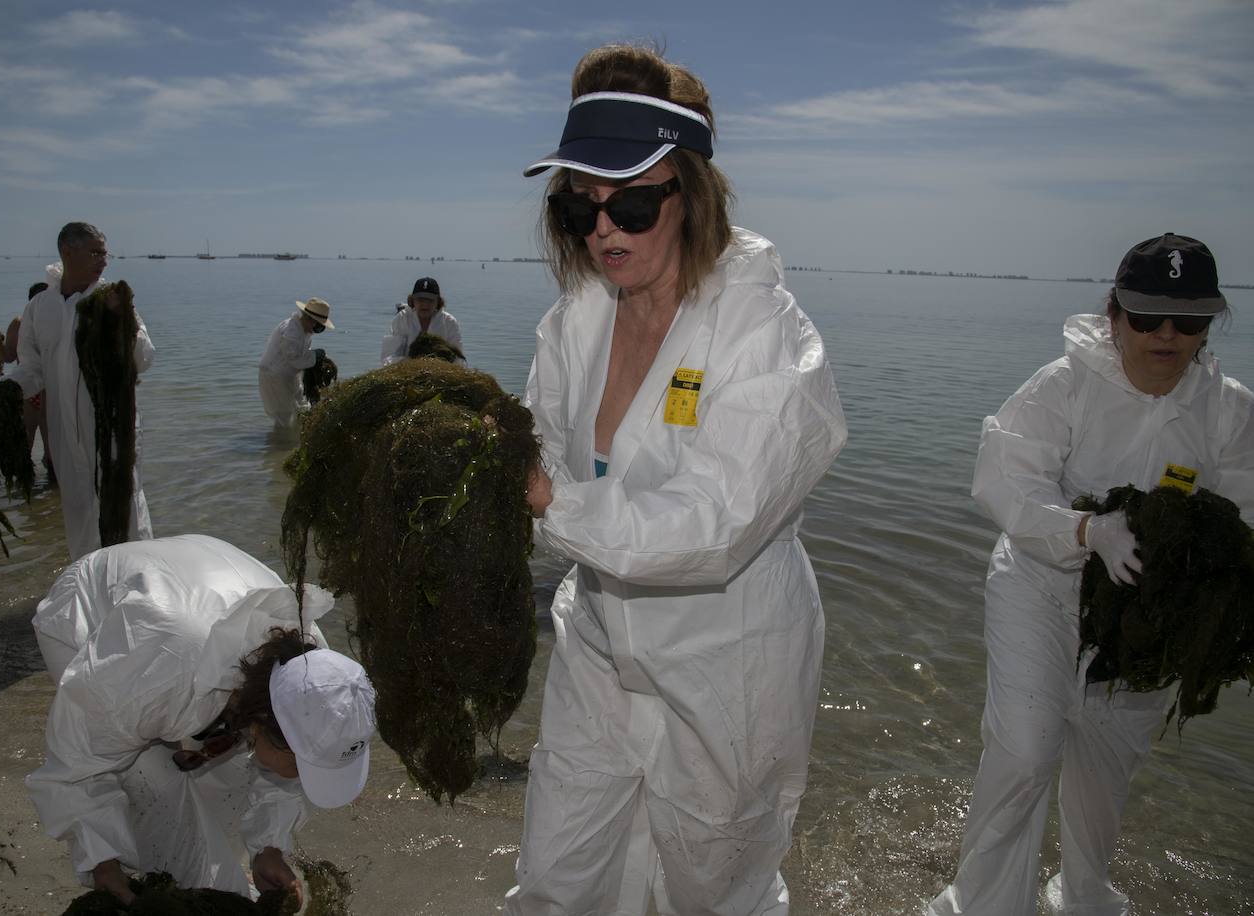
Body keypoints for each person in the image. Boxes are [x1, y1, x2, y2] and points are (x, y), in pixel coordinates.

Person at [504, 44, 847, 916]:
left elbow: (718, 524)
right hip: (599, 638)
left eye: (632, 202)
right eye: (580, 206)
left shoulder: (766, 335)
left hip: (728, 656)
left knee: (709, 880)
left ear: (692, 195)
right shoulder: (574, 320)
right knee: (560, 866)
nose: (604, 231)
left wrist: (551, 503)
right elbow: (535, 436)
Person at [927, 234, 1254, 916]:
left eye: (1188, 321)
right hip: (1041, 587)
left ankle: (1083, 896)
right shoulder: (1065, 384)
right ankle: (983, 903)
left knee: (1105, 773)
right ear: (1114, 317)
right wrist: (1085, 530)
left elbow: (1245, 516)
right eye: (1146, 318)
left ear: (1209, 324)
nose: (1167, 335)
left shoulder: (1227, 410)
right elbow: (1003, 479)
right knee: (1025, 750)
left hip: (1145, 617)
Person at [26, 533, 377, 906]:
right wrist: (101, 858)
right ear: (260, 726)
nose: (304, 778)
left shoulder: (315, 670)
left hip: (189, 577)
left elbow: (281, 768)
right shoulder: (160, 670)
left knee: (226, 787)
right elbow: (81, 757)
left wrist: (268, 848)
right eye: (303, 765)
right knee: (159, 800)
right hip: (90, 610)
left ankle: (226, 871)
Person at [8, 222, 154, 560]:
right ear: (67, 252)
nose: (104, 260)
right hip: (62, 427)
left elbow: (144, 359)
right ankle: (88, 582)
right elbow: (31, 369)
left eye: (105, 252)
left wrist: (123, 322)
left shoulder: (112, 300)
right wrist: (5, 393)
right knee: (77, 507)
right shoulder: (40, 307)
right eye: (95, 252)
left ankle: (138, 582)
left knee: (126, 501)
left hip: (113, 425)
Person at [2, 281, 55, 483]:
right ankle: (25, 484)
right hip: (29, 389)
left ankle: (51, 490)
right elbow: (8, 356)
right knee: (26, 437)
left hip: (52, 390)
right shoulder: (20, 322)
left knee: (52, 442)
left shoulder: (61, 322)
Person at [258, 297, 332, 428]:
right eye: (318, 327)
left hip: (289, 375)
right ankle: (282, 444)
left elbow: (301, 358)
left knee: (303, 407)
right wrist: (316, 354)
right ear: (310, 320)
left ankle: (294, 441)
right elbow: (295, 360)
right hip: (274, 376)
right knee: (285, 417)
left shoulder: (304, 330)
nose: (316, 331)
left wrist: (314, 356)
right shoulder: (291, 331)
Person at [379, 277, 463, 364]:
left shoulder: (449, 322)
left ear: (438, 302)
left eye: (430, 300)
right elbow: (388, 357)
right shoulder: (402, 318)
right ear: (412, 300)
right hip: (407, 371)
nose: (425, 304)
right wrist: (409, 363)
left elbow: (459, 360)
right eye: (420, 299)